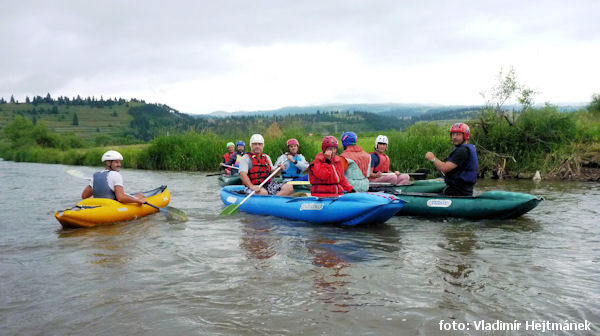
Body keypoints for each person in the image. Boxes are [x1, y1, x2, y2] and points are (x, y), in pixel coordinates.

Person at [425, 123, 478, 196]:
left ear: (465, 136)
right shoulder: (466, 149)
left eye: (458, 134)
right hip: (463, 190)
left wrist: (433, 158)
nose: (454, 137)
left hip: (458, 192)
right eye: (453, 134)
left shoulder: (462, 151)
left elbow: (444, 168)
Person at [81, 150, 147, 204]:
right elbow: (121, 198)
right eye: (116, 162)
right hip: (111, 206)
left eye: (120, 162)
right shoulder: (116, 175)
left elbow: (84, 196)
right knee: (141, 195)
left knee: (138, 195)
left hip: (99, 205)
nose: (119, 165)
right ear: (108, 163)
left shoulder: (96, 175)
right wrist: (139, 201)